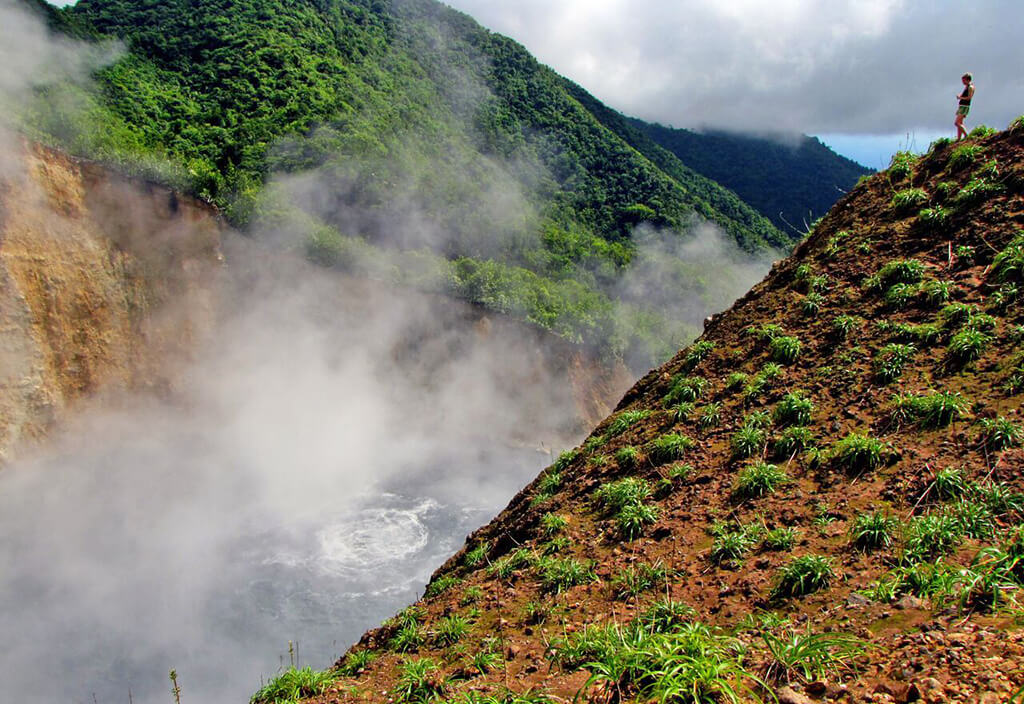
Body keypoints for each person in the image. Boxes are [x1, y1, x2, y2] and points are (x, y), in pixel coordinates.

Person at [955, 73, 974, 140]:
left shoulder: (970, 87)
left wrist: (960, 98)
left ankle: (966, 135)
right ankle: (959, 138)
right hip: (962, 105)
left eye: (963, 80)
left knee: (957, 123)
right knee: (960, 123)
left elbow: (969, 97)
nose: (962, 82)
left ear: (967, 80)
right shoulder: (967, 87)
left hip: (965, 106)